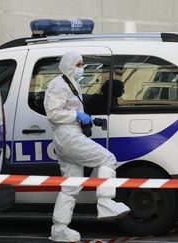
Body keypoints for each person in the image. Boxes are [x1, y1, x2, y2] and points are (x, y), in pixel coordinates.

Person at [44, 51, 130, 242]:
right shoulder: (59, 84)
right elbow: (53, 113)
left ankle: (60, 230)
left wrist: (84, 118)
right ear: (68, 64)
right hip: (67, 135)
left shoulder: (70, 83)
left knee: (70, 186)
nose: (81, 69)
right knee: (108, 159)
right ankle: (106, 202)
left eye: (81, 64)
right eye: (78, 64)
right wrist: (77, 116)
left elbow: (69, 110)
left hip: (69, 134)